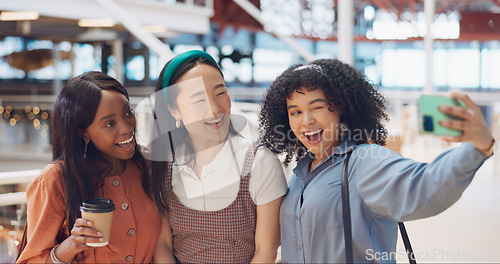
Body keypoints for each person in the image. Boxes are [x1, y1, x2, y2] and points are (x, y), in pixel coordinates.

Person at [258, 58, 495, 263]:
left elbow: (424, 186)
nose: (306, 121)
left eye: (317, 107)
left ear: (339, 107)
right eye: (295, 112)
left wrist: (477, 147)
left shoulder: (364, 162)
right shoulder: (301, 173)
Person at [149, 50, 288, 263]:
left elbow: (265, 252)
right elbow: (163, 244)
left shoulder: (260, 163)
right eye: (198, 100)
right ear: (174, 110)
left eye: (220, 93)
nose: (215, 109)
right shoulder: (164, 166)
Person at [16, 71, 161, 263]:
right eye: (110, 123)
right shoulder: (55, 179)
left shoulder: (146, 165)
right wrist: (70, 246)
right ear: (83, 133)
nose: (127, 128)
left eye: (128, 113)